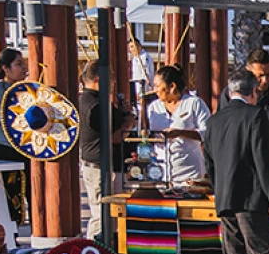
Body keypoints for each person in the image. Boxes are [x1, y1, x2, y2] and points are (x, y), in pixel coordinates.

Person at [204, 68, 269, 254]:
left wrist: (217, 188)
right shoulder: (255, 116)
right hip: (252, 197)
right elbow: (263, 159)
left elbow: (209, 162)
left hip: (225, 196)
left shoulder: (214, 121)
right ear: (252, 92)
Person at [74, 61, 135, 239]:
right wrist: (129, 122)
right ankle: (94, 252)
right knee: (104, 215)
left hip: (95, 163)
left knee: (105, 214)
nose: (113, 83)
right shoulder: (97, 105)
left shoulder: (85, 101)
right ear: (100, 79)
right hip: (102, 166)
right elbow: (116, 136)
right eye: (112, 79)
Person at [0, 47, 32, 223]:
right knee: (11, 195)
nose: (24, 68)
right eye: (18, 64)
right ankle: (12, 235)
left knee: (31, 192)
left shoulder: (24, 89)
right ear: (5, 68)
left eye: (23, 63)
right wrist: (19, 121)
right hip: (5, 148)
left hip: (25, 148)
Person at [145, 64, 210, 184]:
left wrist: (180, 133)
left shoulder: (194, 103)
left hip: (189, 171)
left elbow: (208, 133)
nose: (155, 90)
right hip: (161, 172)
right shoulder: (153, 107)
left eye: (158, 86)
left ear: (172, 86)